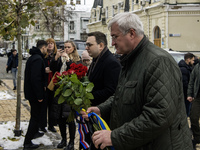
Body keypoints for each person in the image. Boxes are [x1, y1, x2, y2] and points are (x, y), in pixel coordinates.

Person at [81, 12, 192, 150]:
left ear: (131, 33)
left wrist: (115, 137)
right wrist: (100, 109)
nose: (112, 43)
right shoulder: (131, 59)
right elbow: (122, 95)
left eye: (115, 37)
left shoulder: (158, 61)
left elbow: (158, 115)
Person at [80, 31, 121, 150]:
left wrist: (86, 96)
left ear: (101, 45)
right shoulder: (96, 59)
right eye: (86, 45)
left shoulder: (111, 63)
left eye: (89, 45)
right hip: (94, 114)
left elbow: (111, 91)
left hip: (104, 117)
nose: (86, 47)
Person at [50, 40, 79, 150]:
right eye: (65, 47)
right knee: (60, 118)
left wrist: (67, 60)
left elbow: (74, 71)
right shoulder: (61, 59)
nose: (66, 49)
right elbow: (53, 69)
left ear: (73, 48)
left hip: (70, 93)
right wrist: (56, 57)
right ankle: (63, 140)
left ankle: (71, 142)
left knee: (69, 118)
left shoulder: (76, 60)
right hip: (59, 92)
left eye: (68, 47)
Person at [23, 40, 48, 149]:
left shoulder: (33, 57)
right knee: (35, 117)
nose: (46, 51)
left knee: (35, 116)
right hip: (35, 94)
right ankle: (27, 141)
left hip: (31, 92)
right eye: (46, 49)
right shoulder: (37, 59)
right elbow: (35, 79)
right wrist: (39, 96)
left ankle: (34, 133)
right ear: (43, 48)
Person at [38, 38, 58, 133]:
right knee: (43, 106)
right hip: (45, 84)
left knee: (52, 106)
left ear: (54, 45)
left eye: (52, 43)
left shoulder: (56, 56)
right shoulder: (42, 56)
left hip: (54, 84)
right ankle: (42, 125)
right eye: (48, 43)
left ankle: (51, 124)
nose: (50, 45)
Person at [187, 59, 200, 149]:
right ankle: (197, 137)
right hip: (198, 97)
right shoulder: (197, 67)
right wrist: (189, 94)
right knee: (193, 117)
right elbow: (191, 81)